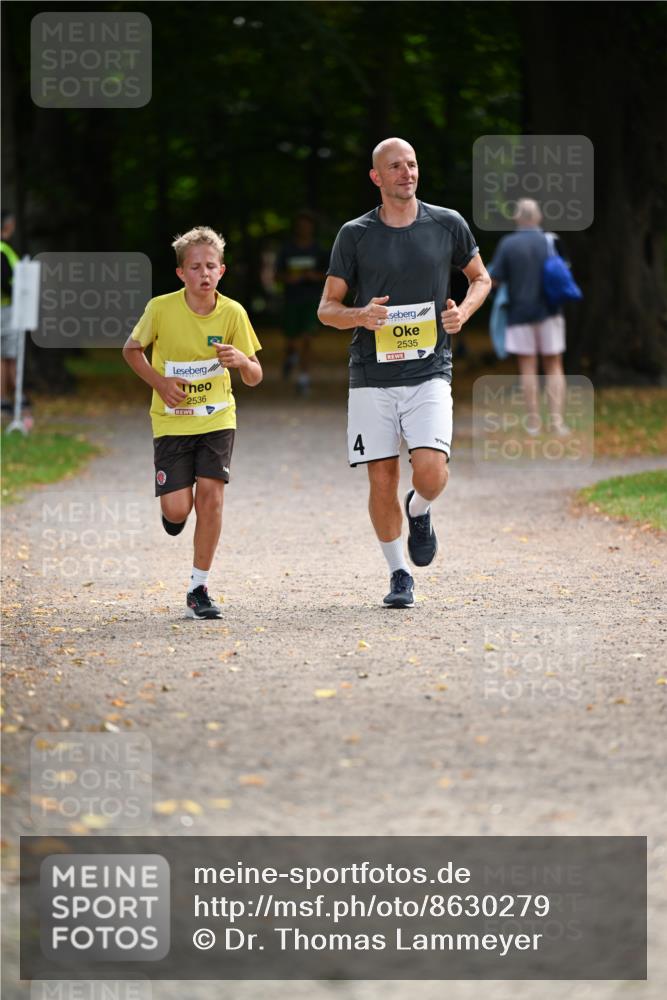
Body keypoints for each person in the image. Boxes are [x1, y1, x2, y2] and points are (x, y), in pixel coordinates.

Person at [318, 137, 491, 608]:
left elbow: (481, 278)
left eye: (412, 164)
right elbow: (326, 309)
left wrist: (464, 313)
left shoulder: (447, 223)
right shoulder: (355, 234)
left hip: (430, 370)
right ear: (376, 177)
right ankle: (399, 574)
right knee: (380, 480)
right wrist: (361, 316)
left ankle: (420, 509)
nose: (406, 173)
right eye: (395, 167)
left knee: (431, 473)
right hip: (371, 375)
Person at [122, 226, 263, 619]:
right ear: (181, 273)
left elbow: (256, 376)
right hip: (171, 421)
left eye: (211, 266)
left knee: (212, 498)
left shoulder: (233, 313)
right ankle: (173, 516)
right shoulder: (161, 308)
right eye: (195, 267)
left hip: (218, 417)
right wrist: (160, 382)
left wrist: (242, 363)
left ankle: (198, 587)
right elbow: (131, 350)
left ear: (222, 271)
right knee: (178, 509)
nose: (204, 273)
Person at [489, 198, 569, 435]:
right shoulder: (551, 241)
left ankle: (533, 422)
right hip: (550, 312)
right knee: (554, 366)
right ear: (538, 217)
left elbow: (493, 279)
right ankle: (556, 422)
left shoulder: (508, 244)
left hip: (519, 313)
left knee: (528, 368)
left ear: (517, 218)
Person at [276, 211, 327, 395]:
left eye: (308, 225)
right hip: (291, 300)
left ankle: (304, 378)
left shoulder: (318, 250)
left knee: (307, 339)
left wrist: (314, 276)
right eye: (301, 225)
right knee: (291, 341)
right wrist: (289, 278)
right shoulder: (287, 250)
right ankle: (291, 357)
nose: (304, 229)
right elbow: (276, 275)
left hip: (311, 301)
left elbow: (329, 274)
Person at [1, 210, 20, 411]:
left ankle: (6, 398)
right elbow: (4, 282)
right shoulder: (3, 249)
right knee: (8, 355)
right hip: (6, 309)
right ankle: (11, 397)